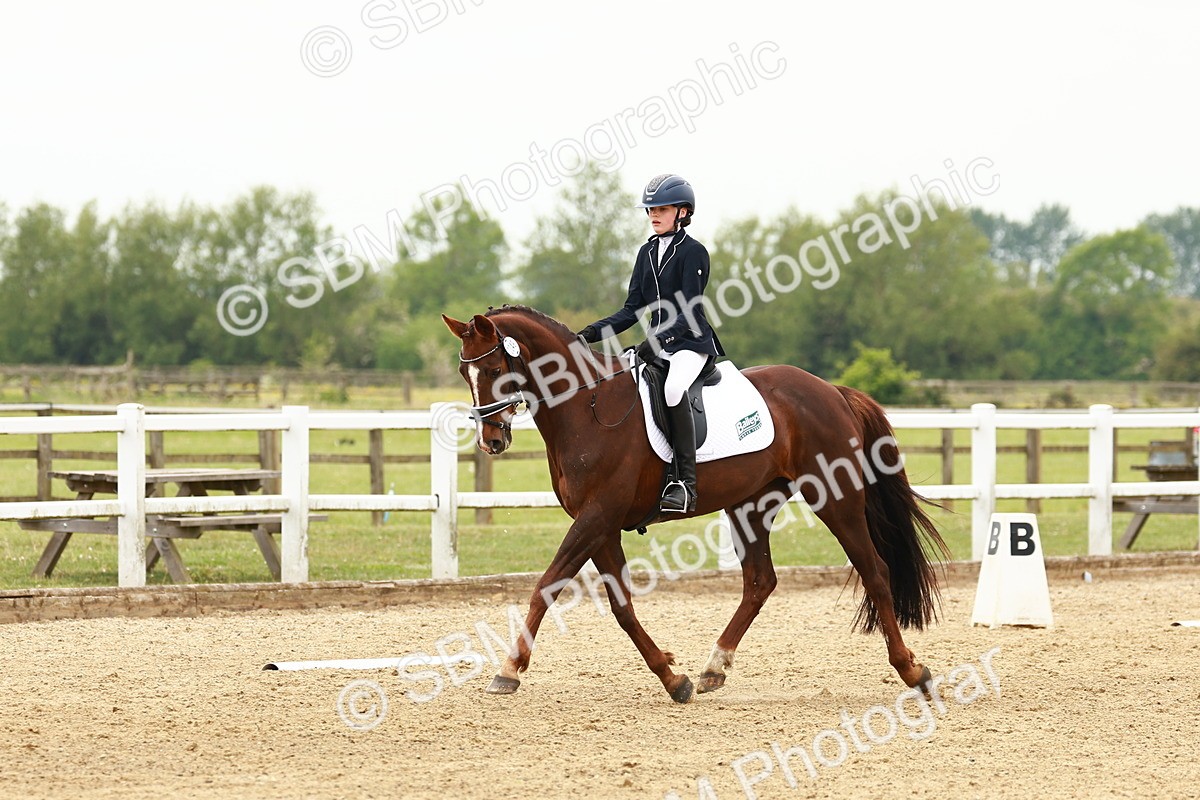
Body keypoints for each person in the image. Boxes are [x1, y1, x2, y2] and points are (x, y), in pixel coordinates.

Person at [576, 173, 725, 514]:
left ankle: (685, 483)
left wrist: (658, 341)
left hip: (691, 344)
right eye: (650, 209)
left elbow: (688, 310)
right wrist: (589, 333)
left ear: (683, 212)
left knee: (673, 390)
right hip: (658, 344)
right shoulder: (646, 253)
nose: (653, 214)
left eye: (662, 208)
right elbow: (632, 310)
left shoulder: (694, 253)